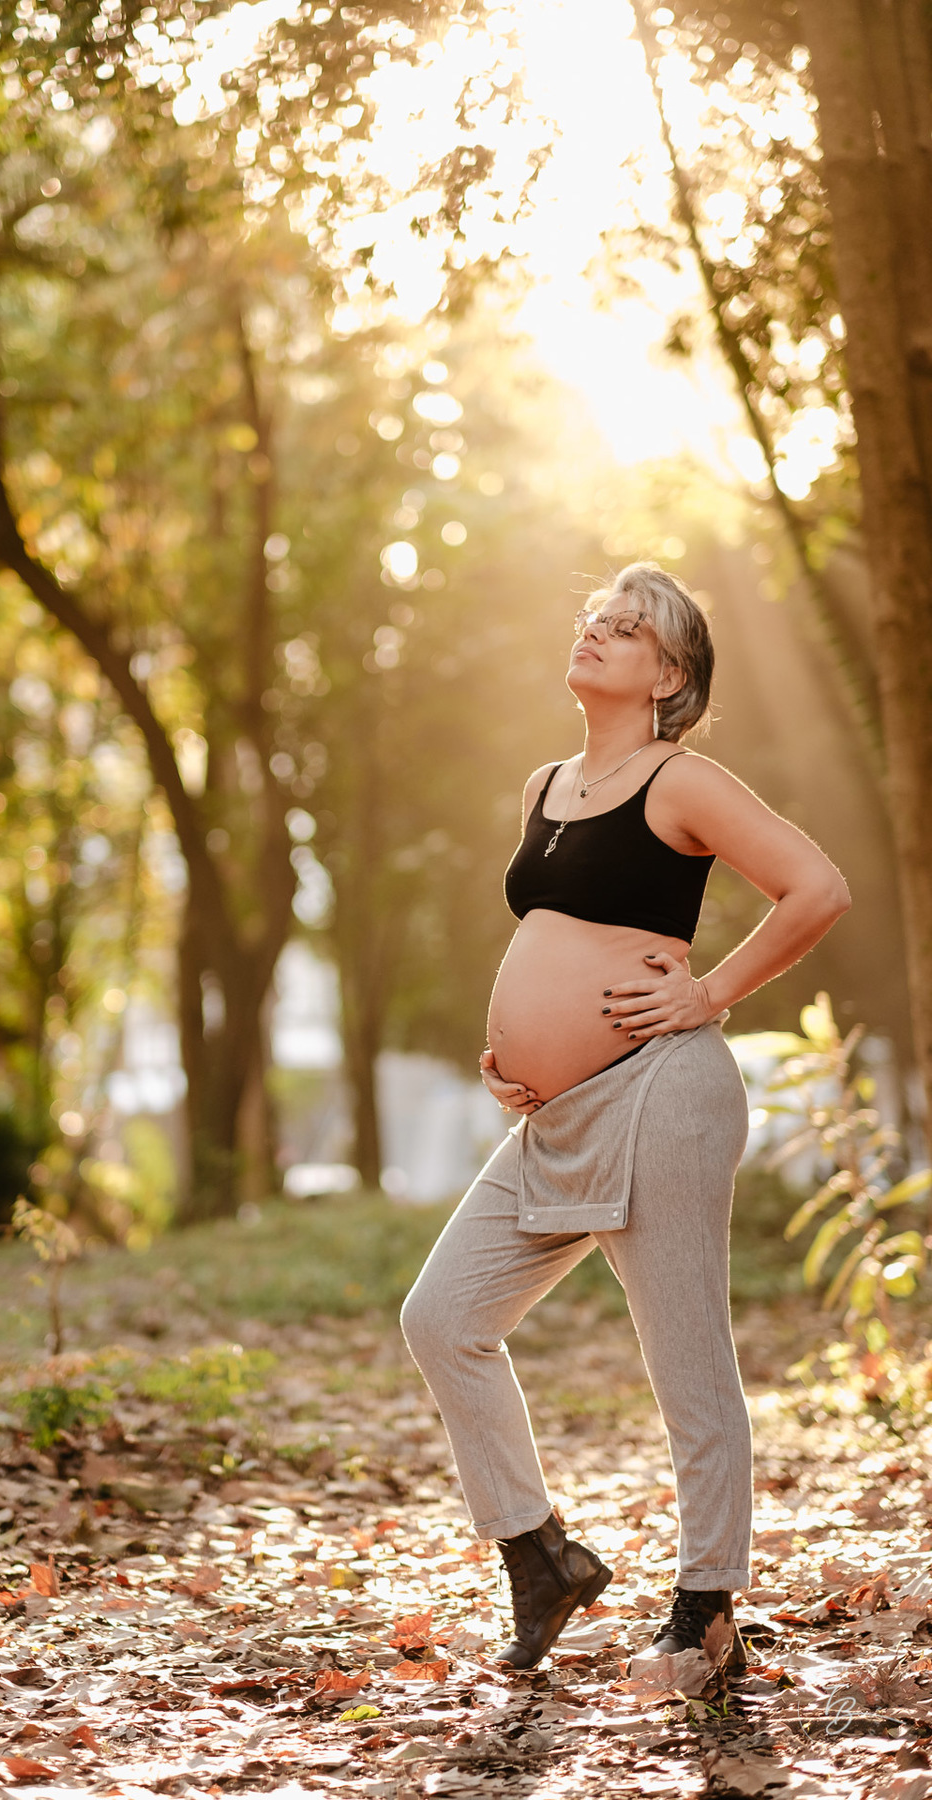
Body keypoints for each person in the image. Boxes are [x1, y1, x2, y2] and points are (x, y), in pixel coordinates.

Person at [400, 562, 851, 1674]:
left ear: (672, 672)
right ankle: (540, 1556)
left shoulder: (680, 782)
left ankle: (706, 1612)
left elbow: (817, 887)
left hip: (664, 1097)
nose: (599, 633)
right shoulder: (543, 785)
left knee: (687, 1360)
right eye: (595, 617)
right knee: (442, 1317)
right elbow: (557, 940)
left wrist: (710, 994)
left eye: (629, 627)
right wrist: (523, 1059)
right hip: (557, 1118)